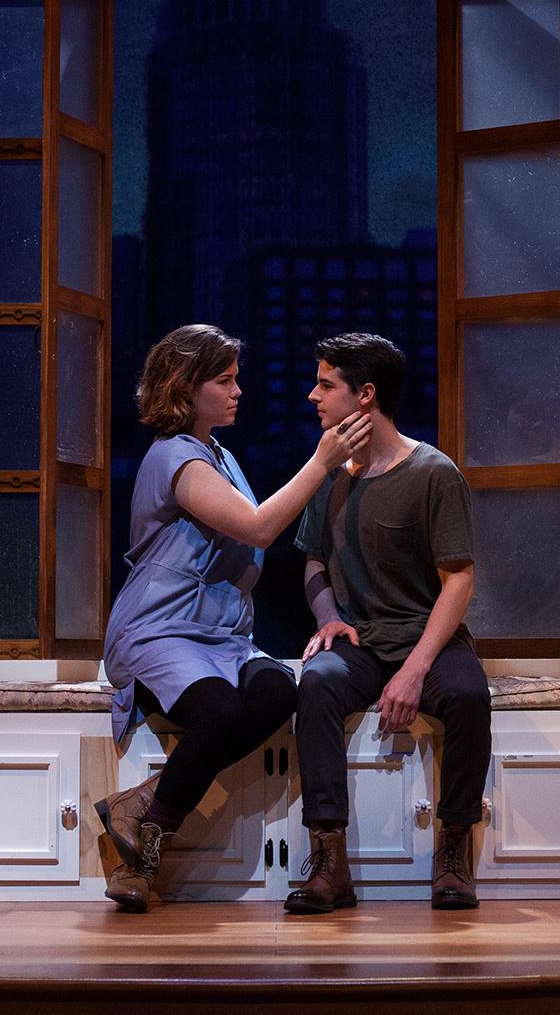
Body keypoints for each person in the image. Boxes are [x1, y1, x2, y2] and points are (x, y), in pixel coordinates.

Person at [97, 323, 370, 912]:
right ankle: (144, 851)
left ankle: (141, 801)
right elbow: (259, 527)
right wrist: (322, 462)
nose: (237, 391)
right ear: (186, 387)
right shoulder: (175, 457)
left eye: (236, 379)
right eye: (224, 380)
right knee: (220, 715)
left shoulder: (219, 454)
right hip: (161, 629)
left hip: (220, 636)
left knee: (277, 694)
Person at [286, 331, 490, 913]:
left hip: (428, 639)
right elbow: (314, 560)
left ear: (365, 395)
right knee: (318, 682)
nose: (313, 396)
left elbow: (459, 579)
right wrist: (327, 618)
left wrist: (416, 670)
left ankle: (453, 852)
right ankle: (329, 860)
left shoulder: (433, 473)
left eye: (327, 385)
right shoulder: (331, 476)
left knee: (470, 695)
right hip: (363, 642)